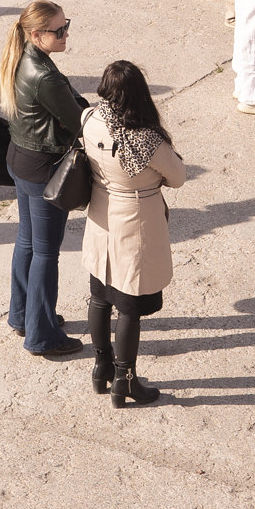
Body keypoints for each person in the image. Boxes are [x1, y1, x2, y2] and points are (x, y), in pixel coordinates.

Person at [82, 59, 187, 407]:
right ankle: (125, 380)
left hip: (100, 215)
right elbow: (178, 177)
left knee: (100, 296)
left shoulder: (90, 120)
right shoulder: (145, 139)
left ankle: (102, 368)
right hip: (136, 221)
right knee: (128, 305)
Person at [0, 0, 87, 357]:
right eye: (59, 30)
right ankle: (41, 335)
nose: (66, 34)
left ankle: (23, 315)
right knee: (46, 253)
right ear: (36, 34)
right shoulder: (45, 76)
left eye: (67, 25)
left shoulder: (22, 57)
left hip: (21, 159)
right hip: (43, 169)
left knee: (28, 243)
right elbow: (77, 121)